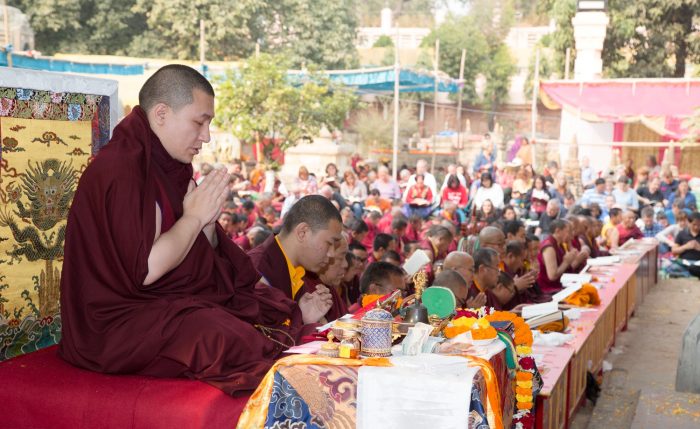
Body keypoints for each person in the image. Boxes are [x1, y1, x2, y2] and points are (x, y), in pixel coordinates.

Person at [59, 65, 330, 395]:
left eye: (209, 124)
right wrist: (193, 219)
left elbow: (192, 255)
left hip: (155, 304)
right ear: (161, 114)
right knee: (216, 334)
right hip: (111, 324)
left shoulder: (168, 164)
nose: (206, 136)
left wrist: (206, 227)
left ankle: (288, 328)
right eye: (199, 121)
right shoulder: (121, 168)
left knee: (246, 308)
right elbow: (145, 270)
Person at [248, 194, 342, 315]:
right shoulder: (256, 270)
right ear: (303, 232)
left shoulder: (298, 269)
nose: (332, 254)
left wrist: (303, 318)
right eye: (329, 243)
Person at [537, 220, 578, 293]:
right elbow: (552, 276)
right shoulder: (549, 247)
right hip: (548, 289)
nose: (571, 236)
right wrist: (566, 262)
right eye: (568, 232)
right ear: (558, 231)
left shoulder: (560, 244)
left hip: (561, 284)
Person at [672, 212, 700, 277]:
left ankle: (685, 274)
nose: (696, 227)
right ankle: (689, 273)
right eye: (694, 224)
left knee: (694, 268)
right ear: (689, 223)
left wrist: (698, 247)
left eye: (699, 225)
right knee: (673, 266)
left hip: (698, 263)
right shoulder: (682, 234)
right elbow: (674, 251)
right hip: (684, 263)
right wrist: (686, 247)